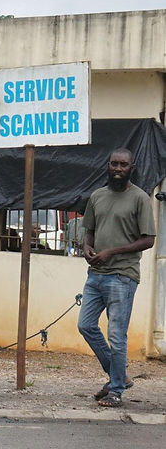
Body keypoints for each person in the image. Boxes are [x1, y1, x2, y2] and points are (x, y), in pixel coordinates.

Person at [78, 149, 156, 408]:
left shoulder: (140, 198)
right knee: (86, 325)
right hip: (96, 274)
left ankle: (116, 390)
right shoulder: (97, 196)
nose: (118, 168)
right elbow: (89, 230)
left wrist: (113, 251)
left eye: (123, 164)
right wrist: (87, 248)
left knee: (117, 335)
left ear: (132, 168)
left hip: (122, 275)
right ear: (108, 165)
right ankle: (118, 376)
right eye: (114, 164)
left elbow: (148, 239)